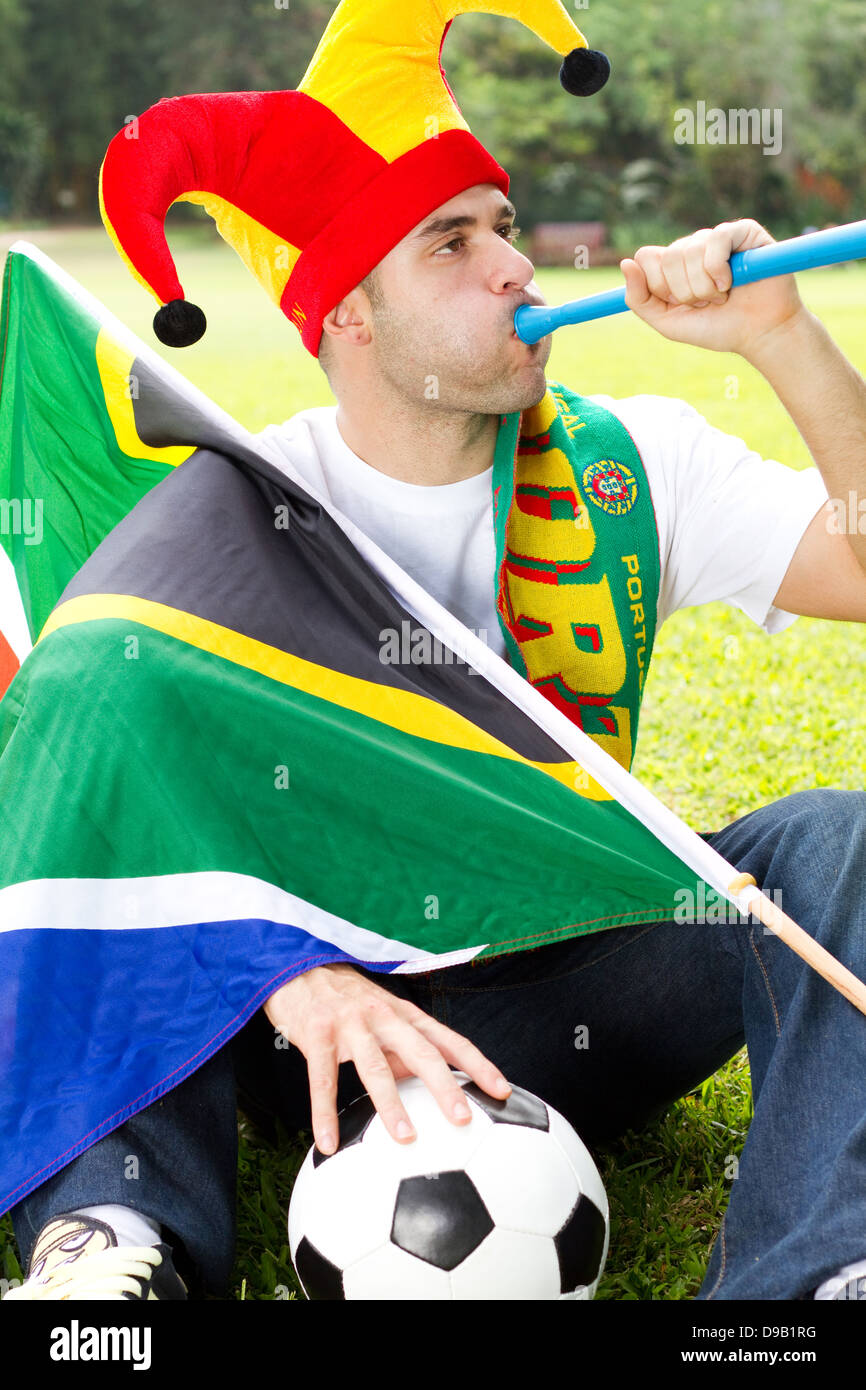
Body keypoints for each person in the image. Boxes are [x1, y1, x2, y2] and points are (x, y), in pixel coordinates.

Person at [6, 1, 866, 1304]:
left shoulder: (624, 465)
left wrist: (782, 341)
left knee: (838, 840)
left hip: (564, 978)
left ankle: (809, 1279)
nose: (511, 269)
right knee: (95, 860)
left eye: (505, 229)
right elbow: (86, 784)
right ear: (349, 312)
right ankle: (116, 1243)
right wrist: (290, 970)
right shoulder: (227, 508)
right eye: (449, 243)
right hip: (295, 1019)